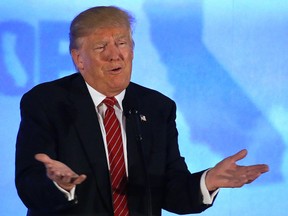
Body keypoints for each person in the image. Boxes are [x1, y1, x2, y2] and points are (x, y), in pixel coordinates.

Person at [15, 6, 269, 216]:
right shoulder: (46, 103)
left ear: (132, 50)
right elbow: (29, 186)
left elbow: (171, 191)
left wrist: (208, 181)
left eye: (122, 43)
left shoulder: (157, 107)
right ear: (79, 58)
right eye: (101, 47)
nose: (115, 55)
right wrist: (59, 185)